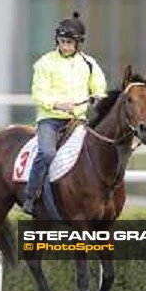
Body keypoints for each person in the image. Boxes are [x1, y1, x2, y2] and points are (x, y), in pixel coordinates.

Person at [23, 12, 108, 215]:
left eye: (69, 42)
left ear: (78, 44)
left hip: (78, 120)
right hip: (50, 121)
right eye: (62, 41)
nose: (65, 46)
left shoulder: (89, 63)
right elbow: (38, 94)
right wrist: (58, 105)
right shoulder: (44, 63)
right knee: (47, 153)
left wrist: (97, 94)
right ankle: (31, 196)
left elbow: (99, 84)